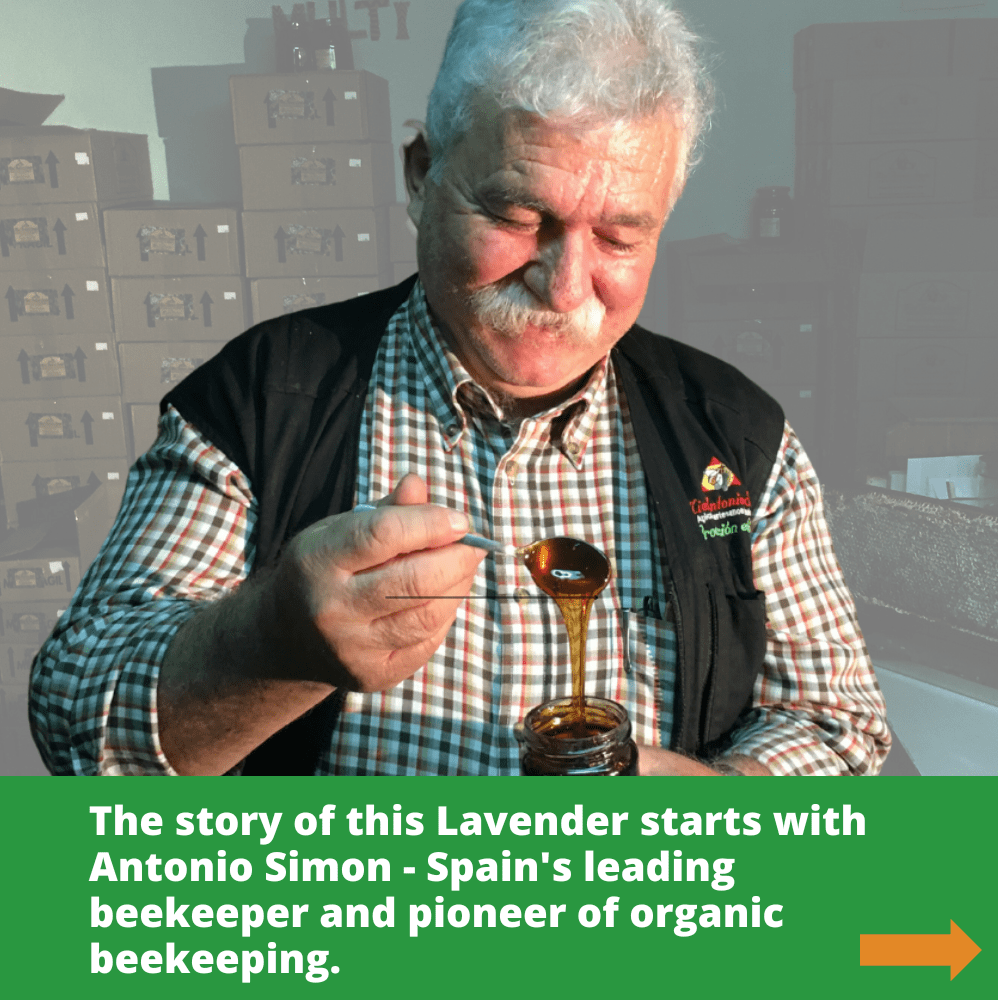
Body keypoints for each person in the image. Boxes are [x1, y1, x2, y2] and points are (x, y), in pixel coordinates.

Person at [30, 0, 889, 777]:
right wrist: (270, 642)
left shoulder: (735, 439)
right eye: (519, 218)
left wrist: (697, 800)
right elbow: (74, 721)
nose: (564, 287)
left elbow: (837, 724)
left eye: (622, 238)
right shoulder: (260, 400)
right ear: (419, 174)